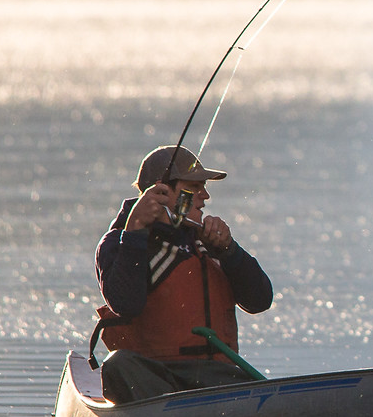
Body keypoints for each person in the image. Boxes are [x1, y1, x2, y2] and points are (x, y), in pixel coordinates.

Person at [92, 145, 274, 403]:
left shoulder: (206, 241)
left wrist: (230, 250)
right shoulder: (119, 243)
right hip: (156, 380)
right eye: (196, 187)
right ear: (162, 192)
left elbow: (260, 300)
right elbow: (126, 303)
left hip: (217, 379)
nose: (205, 196)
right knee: (118, 364)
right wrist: (134, 231)